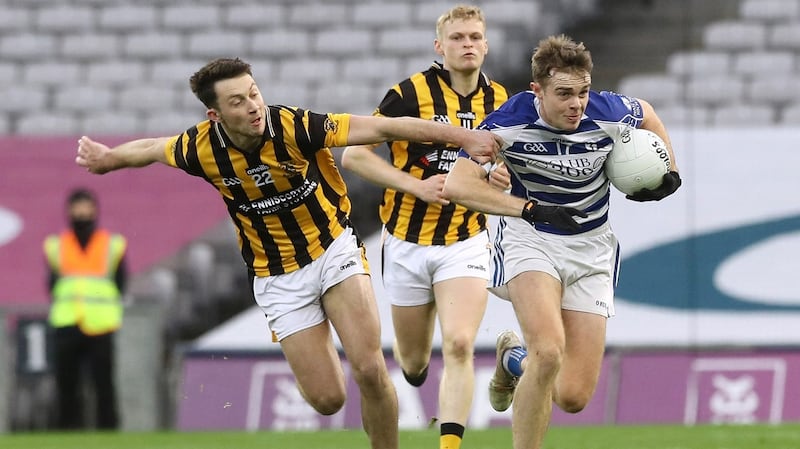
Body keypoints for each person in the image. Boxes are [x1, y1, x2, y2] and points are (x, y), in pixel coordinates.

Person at [75, 57, 501, 449]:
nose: (253, 106)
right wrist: (110, 158)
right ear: (215, 115)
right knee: (328, 400)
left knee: (370, 369)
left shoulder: (295, 126)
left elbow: (388, 128)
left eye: (254, 93)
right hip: (276, 275)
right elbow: (150, 148)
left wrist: (463, 136)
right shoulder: (199, 148)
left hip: (333, 249)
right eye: (238, 102)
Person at [442, 34, 681, 449]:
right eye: (565, 94)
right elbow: (458, 186)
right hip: (530, 239)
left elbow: (649, 116)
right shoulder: (508, 123)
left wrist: (670, 173)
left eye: (583, 92)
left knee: (573, 396)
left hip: (592, 247)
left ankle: (512, 360)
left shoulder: (609, 110)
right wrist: (526, 209)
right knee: (549, 352)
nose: (577, 104)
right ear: (537, 91)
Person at [341, 5, 508, 449]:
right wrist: (414, 186)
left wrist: (501, 179)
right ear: (440, 46)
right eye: (457, 37)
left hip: (465, 240)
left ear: (486, 45)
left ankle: (449, 445)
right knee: (413, 365)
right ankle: (415, 365)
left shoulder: (502, 102)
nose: (467, 44)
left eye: (475, 36)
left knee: (458, 345)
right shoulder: (408, 94)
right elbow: (354, 156)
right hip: (406, 243)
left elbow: (507, 166)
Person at [44, 187, 128, 430]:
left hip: (101, 323)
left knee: (103, 383)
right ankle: (68, 432)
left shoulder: (112, 244)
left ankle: (108, 431)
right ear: (69, 210)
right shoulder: (56, 245)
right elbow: (52, 283)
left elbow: (121, 282)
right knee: (66, 383)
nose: (81, 211)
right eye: (77, 206)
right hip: (67, 321)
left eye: (85, 206)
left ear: (95, 209)